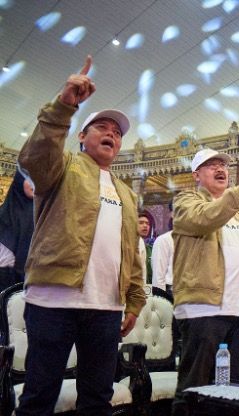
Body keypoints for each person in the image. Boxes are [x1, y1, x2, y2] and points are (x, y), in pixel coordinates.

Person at [15, 55, 146, 415]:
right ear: (82, 136)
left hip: (106, 307)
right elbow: (34, 158)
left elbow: (131, 252)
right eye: (102, 127)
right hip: (53, 300)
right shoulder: (63, 166)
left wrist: (134, 300)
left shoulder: (126, 192)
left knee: (97, 399)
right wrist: (63, 106)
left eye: (117, 133)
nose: (111, 134)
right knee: (39, 397)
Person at [171, 148, 239, 414]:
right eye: (211, 164)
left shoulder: (237, 214)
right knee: (194, 389)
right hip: (203, 307)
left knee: (229, 392)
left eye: (223, 165)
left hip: (238, 310)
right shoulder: (186, 201)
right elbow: (206, 217)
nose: (220, 169)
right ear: (196, 175)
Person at [0, 170, 34, 291]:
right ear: (19, 180)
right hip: (5, 282)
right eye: (29, 179)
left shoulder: (44, 215)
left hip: (33, 285)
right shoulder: (5, 215)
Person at [151, 202, 174, 295]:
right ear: (172, 214)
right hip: (171, 292)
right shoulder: (164, 240)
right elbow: (158, 277)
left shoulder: (198, 240)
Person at [137, 212, 152, 284]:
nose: (145, 225)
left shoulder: (151, 249)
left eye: (147, 223)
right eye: (141, 223)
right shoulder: (130, 247)